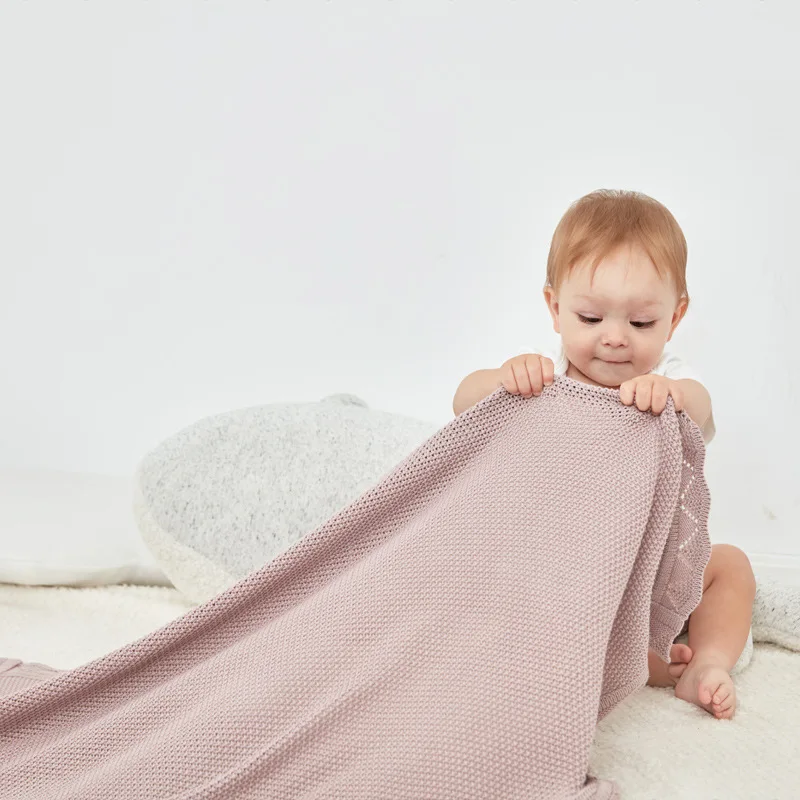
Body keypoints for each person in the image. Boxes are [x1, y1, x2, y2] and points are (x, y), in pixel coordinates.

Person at [452, 189, 756, 720]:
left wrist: (674, 396)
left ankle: (706, 662)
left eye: (641, 324)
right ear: (555, 309)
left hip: (650, 569)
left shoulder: (668, 377)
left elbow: (702, 409)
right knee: (492, 585)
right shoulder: (547, 373)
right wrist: (503, 378)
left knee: (731, 565)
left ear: (674, 317)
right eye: (591, 318)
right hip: (569, 574)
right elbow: (463, 403)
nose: (615, 338)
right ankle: (630, 662)